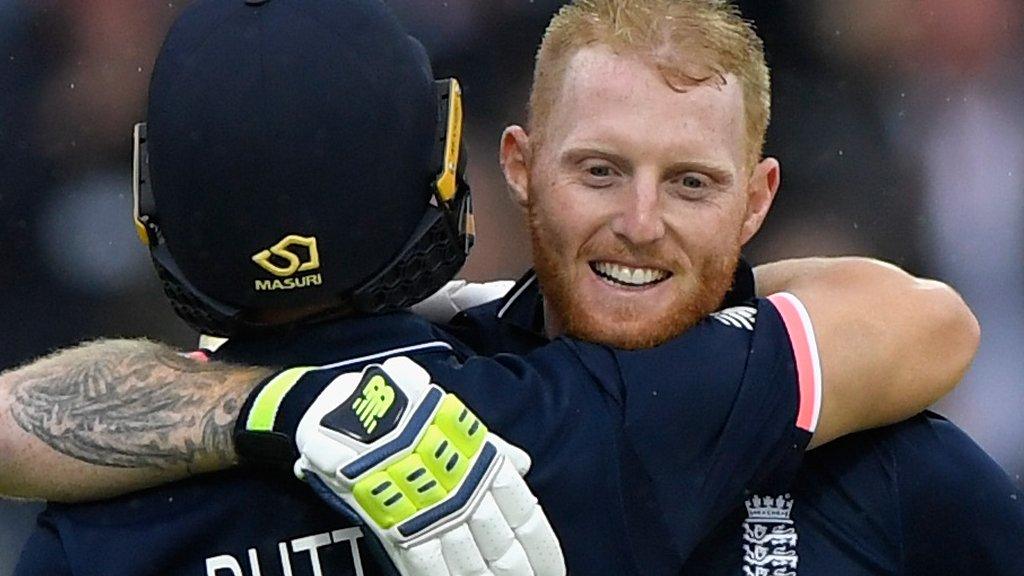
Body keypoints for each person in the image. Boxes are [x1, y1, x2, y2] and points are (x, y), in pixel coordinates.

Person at [0, 0, 993, 574]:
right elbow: (925, 320)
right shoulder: (564, 424)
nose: (641, 224)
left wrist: (294, 403)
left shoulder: (99, 518)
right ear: (498, 168)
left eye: (690, 183)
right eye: (599, 171)